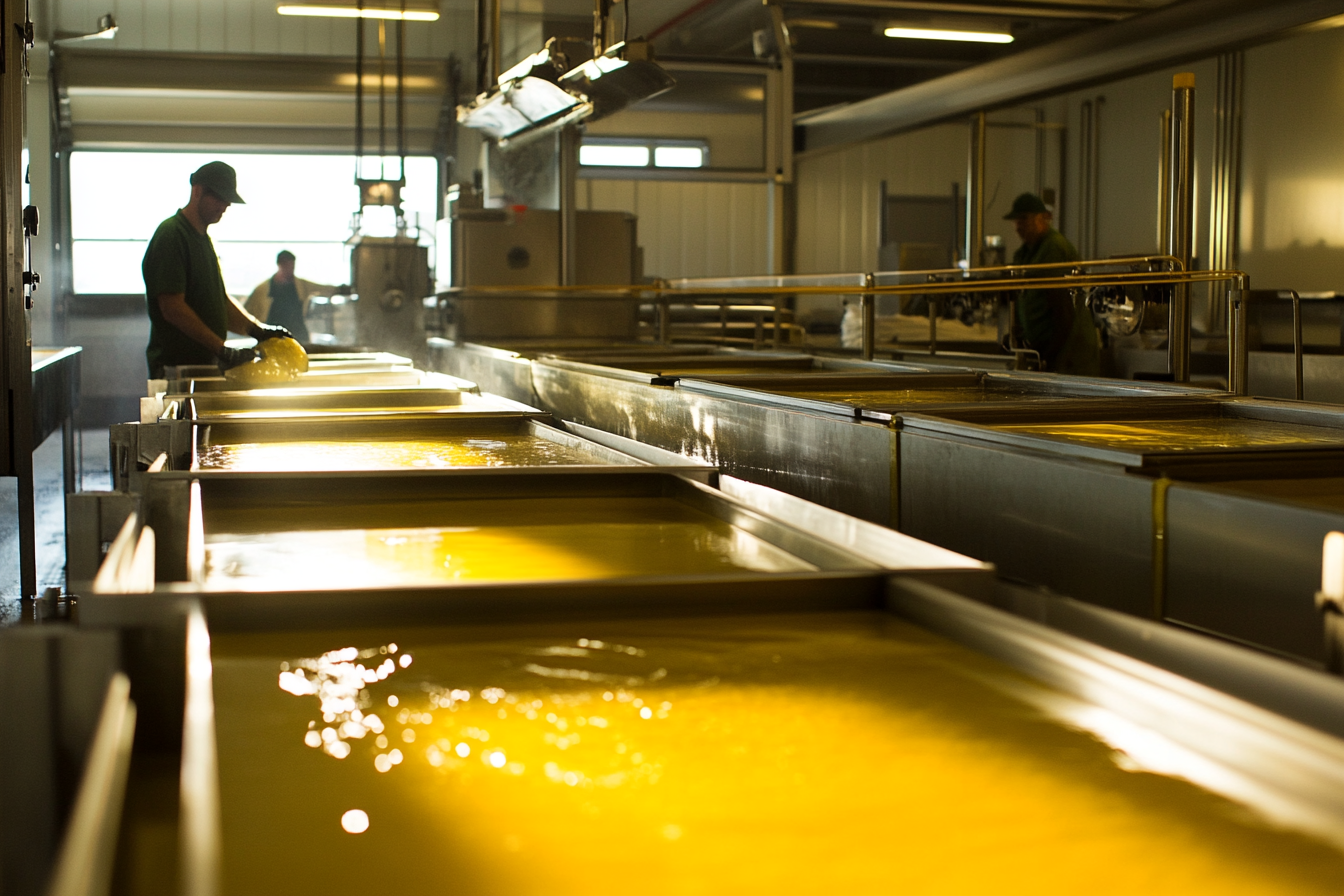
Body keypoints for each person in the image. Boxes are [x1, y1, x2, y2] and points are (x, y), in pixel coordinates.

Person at [142, 161, 291, 378]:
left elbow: (219, 301)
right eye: (219, 198)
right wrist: (221, 348)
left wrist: (257, 330)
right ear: (197, 191)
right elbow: (172, 307)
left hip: (202, 366)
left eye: (227, 200)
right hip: (177, 369)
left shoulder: (203, 240)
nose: (224, 206)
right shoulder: (172, 235)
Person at [1004, 192, 1100, 375]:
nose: (1018, 226)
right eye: (1016, 220)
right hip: (1046, 350)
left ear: (1043, 218)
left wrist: (1049, 356)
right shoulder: (1026, 253)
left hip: (1069, 352)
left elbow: (1063, 311)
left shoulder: (1053, 249)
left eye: (1024, 219)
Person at [245, 250, 343, 345]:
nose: (290, 270)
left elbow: (321, 288)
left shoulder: (301, 285)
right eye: (287, 266)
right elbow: (247, 312)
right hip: (272, 339)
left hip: (299, 337)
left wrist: (340, 290)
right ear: (280, 265)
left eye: (292, 266)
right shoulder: (263, 290)